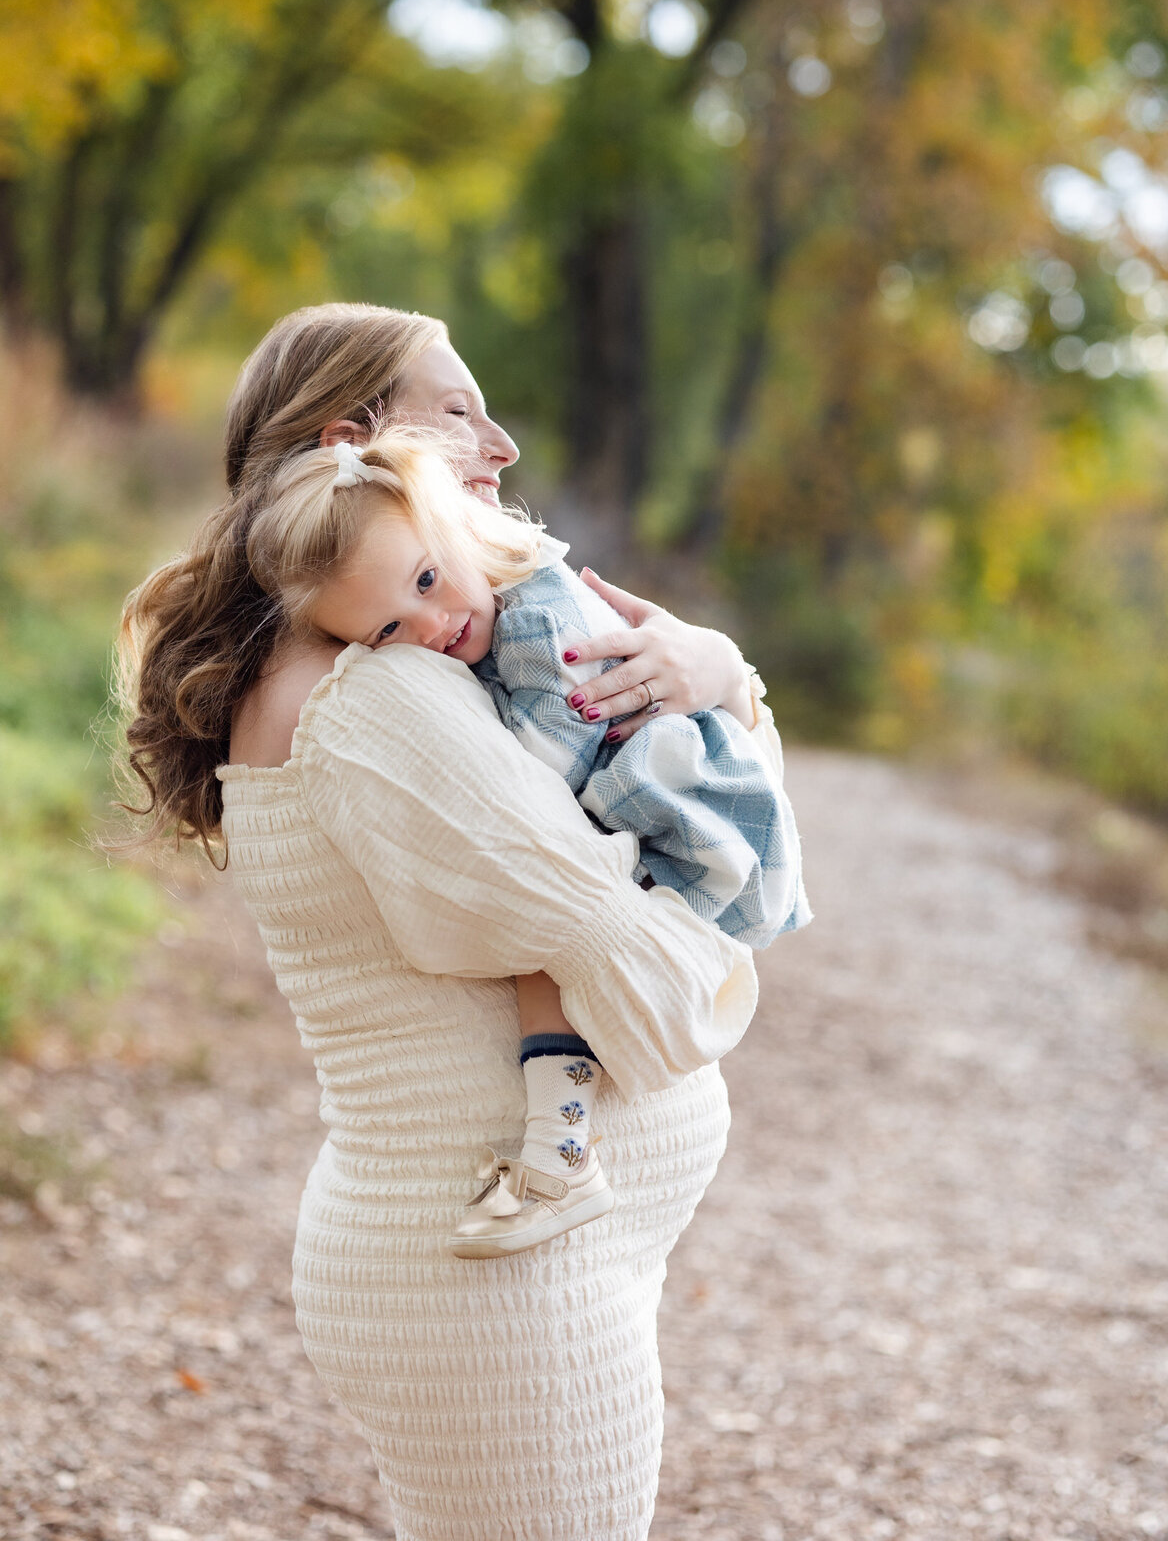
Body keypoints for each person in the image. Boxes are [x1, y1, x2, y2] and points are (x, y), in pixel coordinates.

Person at [120, 302, 800, 1541]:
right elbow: (626, 944)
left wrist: (711, 669)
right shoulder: (382, 696)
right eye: (458, 411)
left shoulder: (415, 662)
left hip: (529, 1266)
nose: (499, 446)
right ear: (358, 444)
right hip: (497, 1285)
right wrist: (725, 710)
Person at [239, 423, 810, 1256]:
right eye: (388, 632)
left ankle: (560, 1161)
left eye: (428, 580)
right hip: (638, 800)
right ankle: (561, 1157)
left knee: (550, 934)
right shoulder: (471, 615)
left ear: (453, 522)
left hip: (685, 813)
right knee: (544, 947)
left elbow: (550, 759)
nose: (430, 625)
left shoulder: (540, 612)